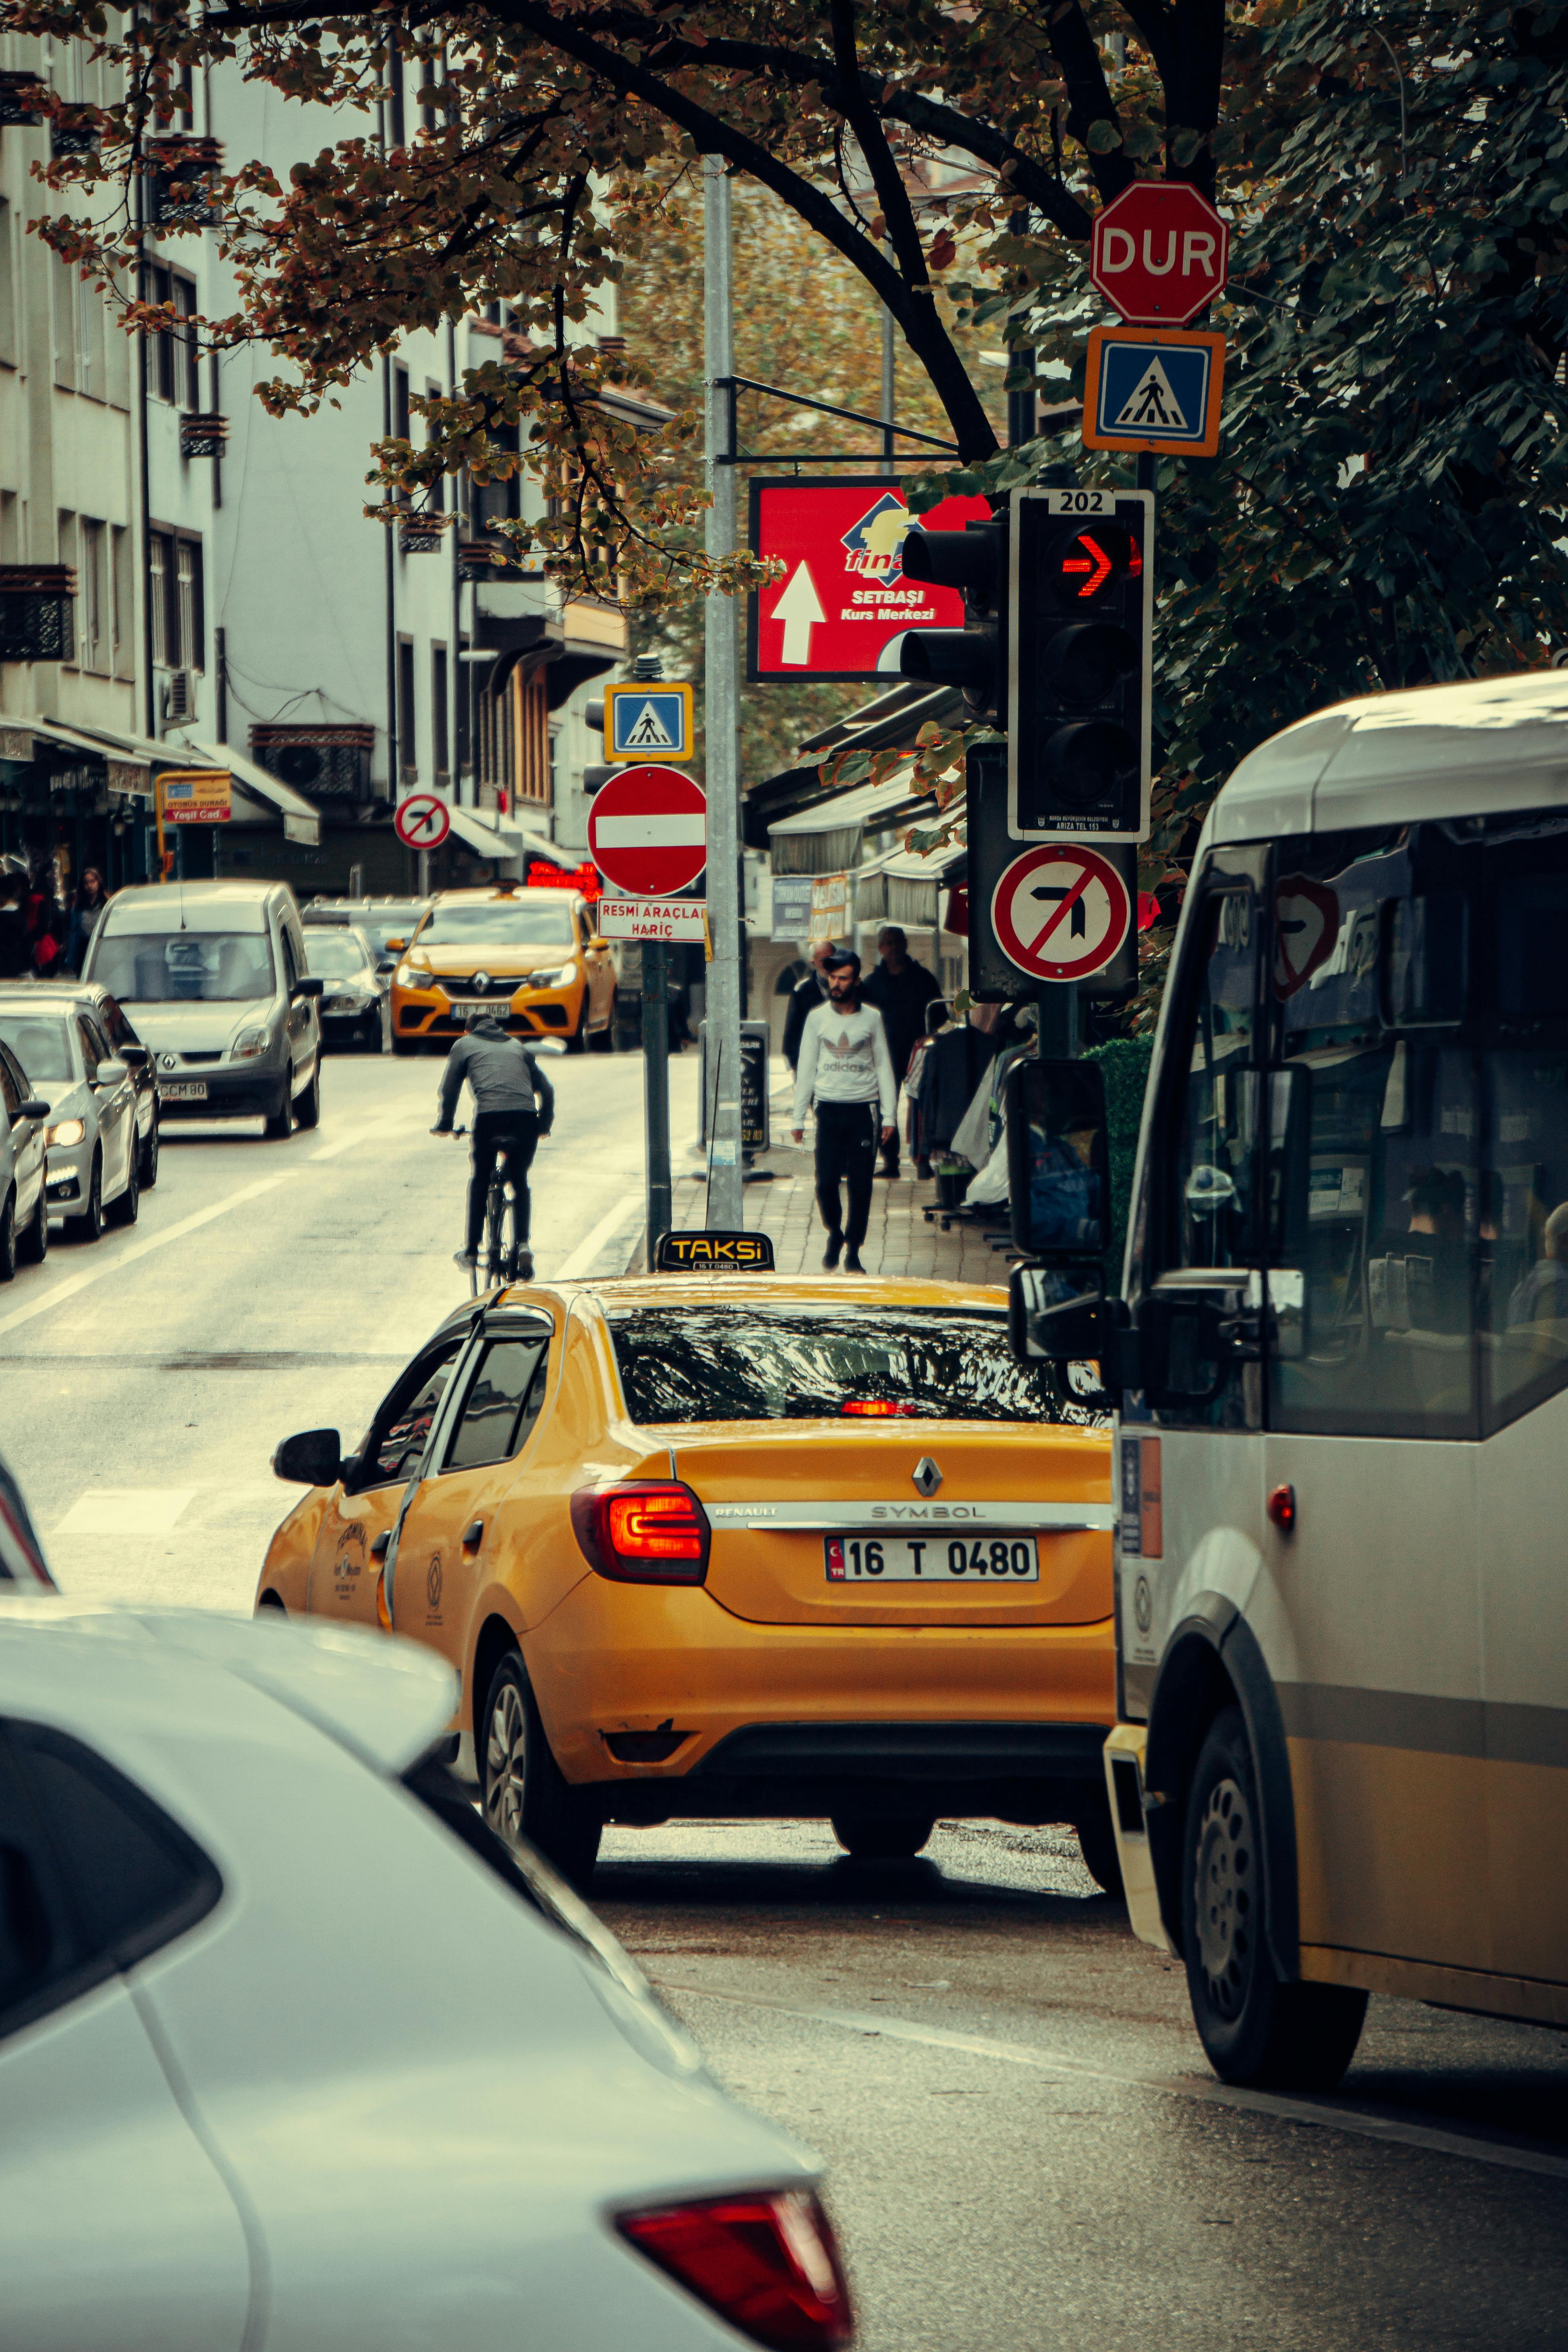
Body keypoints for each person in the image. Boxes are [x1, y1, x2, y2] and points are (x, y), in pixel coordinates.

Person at [790, 948, 896, 1273]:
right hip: (828, 1110)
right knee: (825, 1183)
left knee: (861, 1185)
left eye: (843, 978)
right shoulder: (817, 1018)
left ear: (856, 981)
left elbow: (883, 1067)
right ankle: (834, 1232)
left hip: (863, 1111)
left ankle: (853, 1249)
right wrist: (798, 1117)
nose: (836, 984)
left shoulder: (872, 1019)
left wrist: (889, 1116)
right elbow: (806, 1067)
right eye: (832, 978)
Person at [431, 1011, 555, 1279]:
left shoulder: (464, 1045)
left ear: (468, 1031)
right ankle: (522, 1244)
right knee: (519, 1180)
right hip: (525, 1121)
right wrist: (543, 1126)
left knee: (480, 1180)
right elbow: (547, 1090)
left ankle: (472, 1251)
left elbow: (450, 1088)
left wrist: (445, 1122)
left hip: (490, 1119)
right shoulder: (516, 1046)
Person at [861, 925, 941, 1176]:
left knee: (923, 1106)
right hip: (886, 1054)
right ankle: (890, 1162)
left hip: (919, 1053)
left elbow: (939, 1015)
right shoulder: (872, 984)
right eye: (889, 943)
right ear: (880, 949)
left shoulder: (923, 978)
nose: (894, 948)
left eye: (898, 942)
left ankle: (924, 1160)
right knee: (887, 1107)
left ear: (906, 945)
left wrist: (932, 1038)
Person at [782, 939, 837, 1073]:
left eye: (832, 959)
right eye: (823, 960)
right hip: (811, 1061)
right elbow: (793, 1030)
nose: (828, 964)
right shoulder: (802, 991)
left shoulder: (851, 987)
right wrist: (796, 1063)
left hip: (840, 1058)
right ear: (814, 962)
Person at [66, 867, 108, 974]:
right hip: (84, 948)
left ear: (98, 882)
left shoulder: (106, 904)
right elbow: (74, 934)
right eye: (86, 883)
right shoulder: (78, 908)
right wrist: (71, 960)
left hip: (102, 946)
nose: (90, 886)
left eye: (93, 881)